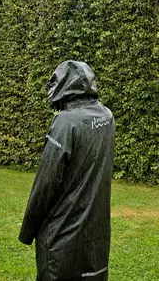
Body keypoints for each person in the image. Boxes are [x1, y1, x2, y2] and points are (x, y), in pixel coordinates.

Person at [19, 61, 115, 281]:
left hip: (61, 232)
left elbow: (46, 182)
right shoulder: (107, 117)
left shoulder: (65, 122)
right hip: (97, 232)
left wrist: (28, 231)